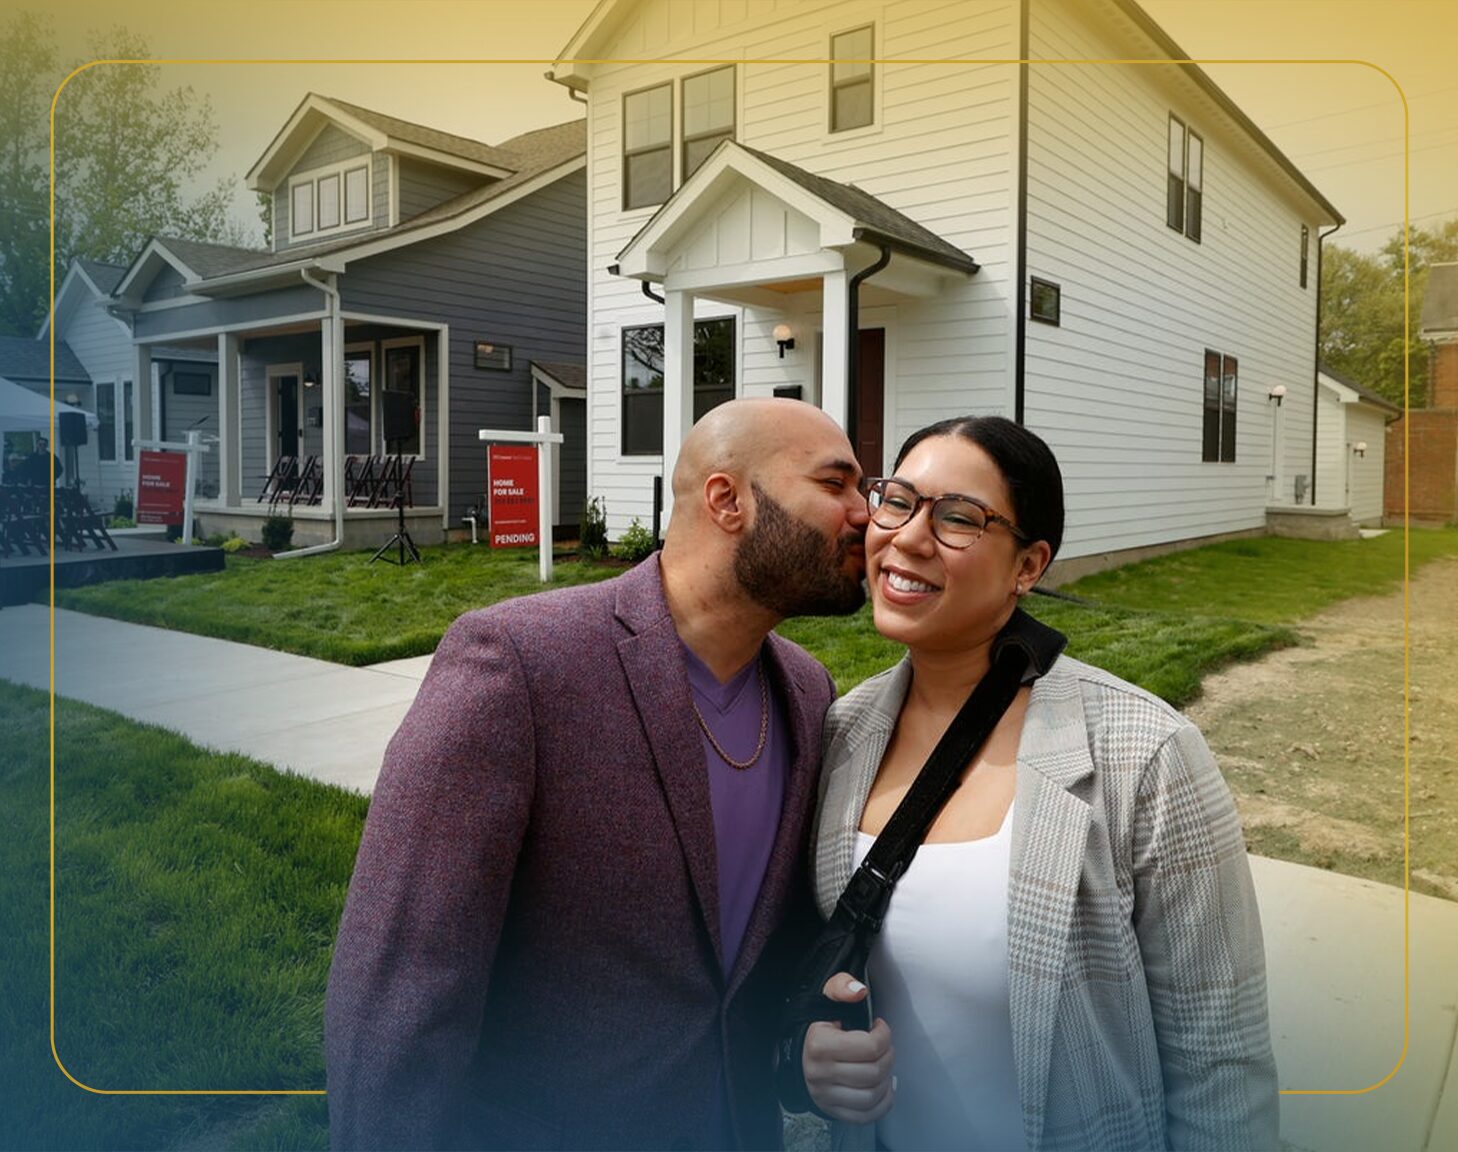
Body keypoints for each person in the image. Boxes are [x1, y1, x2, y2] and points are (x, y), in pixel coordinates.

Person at [325, 397, 869, 1150]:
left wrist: (802, 1048)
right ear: (727, 500)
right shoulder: (518, 665)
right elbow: (398, 995)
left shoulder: (810, 694)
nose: (866, 515)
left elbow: (761, 964)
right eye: (837, 484)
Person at [801, 416, 1278, 1151]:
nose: (909, 538)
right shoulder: (843, 732)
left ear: (1029, 566)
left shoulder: (1145, 756)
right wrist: (814, 1061)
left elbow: (1221, 1063)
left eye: (959, 518)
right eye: (898, 500)